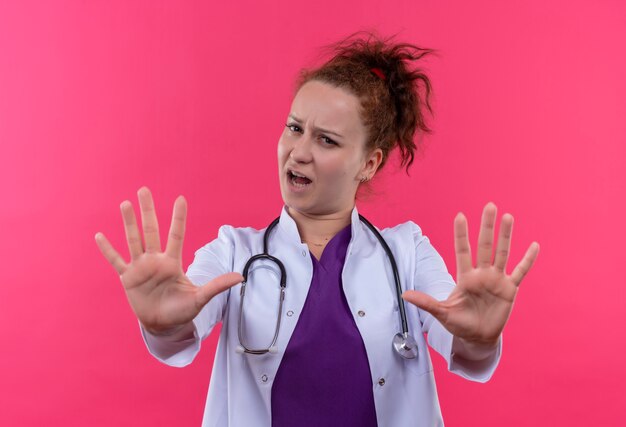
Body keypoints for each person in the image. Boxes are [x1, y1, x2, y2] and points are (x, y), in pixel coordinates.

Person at [95, 31, 539, 427]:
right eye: (294, 128)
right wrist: (163, 325)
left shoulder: (408, 252)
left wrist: (480, 337)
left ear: (369, 163)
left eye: (326, 139)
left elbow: (460, 342)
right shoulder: (233, 251)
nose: (298, 152)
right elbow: (181, 333)